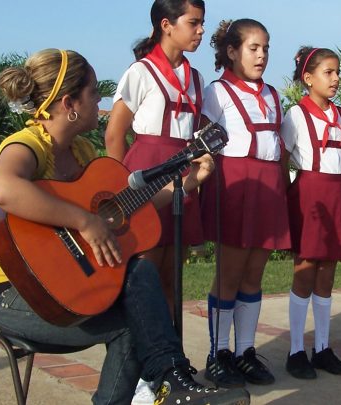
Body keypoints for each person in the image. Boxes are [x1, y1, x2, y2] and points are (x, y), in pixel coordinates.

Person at [0, 48, 249, 405]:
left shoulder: (84, 152)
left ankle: (171, 379)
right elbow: (3, 188)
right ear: (70, 102)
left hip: (59, 286)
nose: (100, 98)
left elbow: (126, 209)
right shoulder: (28, 144)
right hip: (5, 293)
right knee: (136, 323)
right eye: (92, 92)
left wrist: (190, 181)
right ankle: (172, 380)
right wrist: (84, 221)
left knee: (138, 283)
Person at [200, 18, 289, 388]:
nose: (262, 55)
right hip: (234, 185)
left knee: (254, 274)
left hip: (268, 187)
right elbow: (202, 143)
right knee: (230, 273)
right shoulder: (216, 92)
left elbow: (280, 149)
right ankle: (218, 353)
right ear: (232, 51)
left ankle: (245, 352)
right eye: (253, 47)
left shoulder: (271, 94)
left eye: (266, 48)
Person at [105, 0, 206, 319]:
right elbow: (114, 134)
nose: (200, 30)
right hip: (144, 173)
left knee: (171, 276)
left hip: (182, 172)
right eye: (193, 23)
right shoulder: (141, 72)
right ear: (167, 25)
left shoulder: (196, 78)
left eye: (202, 23)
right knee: (143, 274)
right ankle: (140, 363)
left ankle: (169, 358)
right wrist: (121, 193)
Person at [281, 46, 341, 380]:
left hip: (338, 193)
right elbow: (282, 161)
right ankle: (296, 350)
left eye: (337, 72)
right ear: (308, 78)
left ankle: (322, 348)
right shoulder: (296, 115)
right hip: (309, 195)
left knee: (327, 272)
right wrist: (283, 200)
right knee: (306, 268)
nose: (336, 79)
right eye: (328, 72)